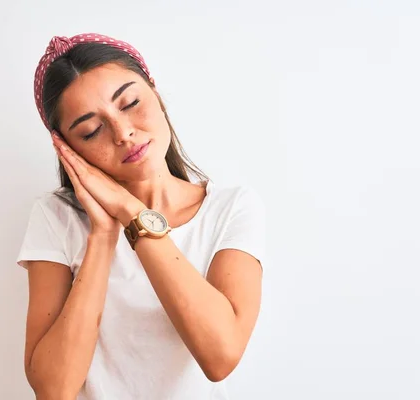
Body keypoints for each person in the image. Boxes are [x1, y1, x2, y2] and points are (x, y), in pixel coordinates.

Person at [17, 32, 267, 400]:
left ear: (156, 93)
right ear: (68, 150)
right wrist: (102, 235)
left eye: (131, 102)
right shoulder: (57, 218)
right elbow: (54, 390)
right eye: (91, 130)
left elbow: (220, 355)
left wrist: (132, 213)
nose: (123, 133)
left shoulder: (230, 209)